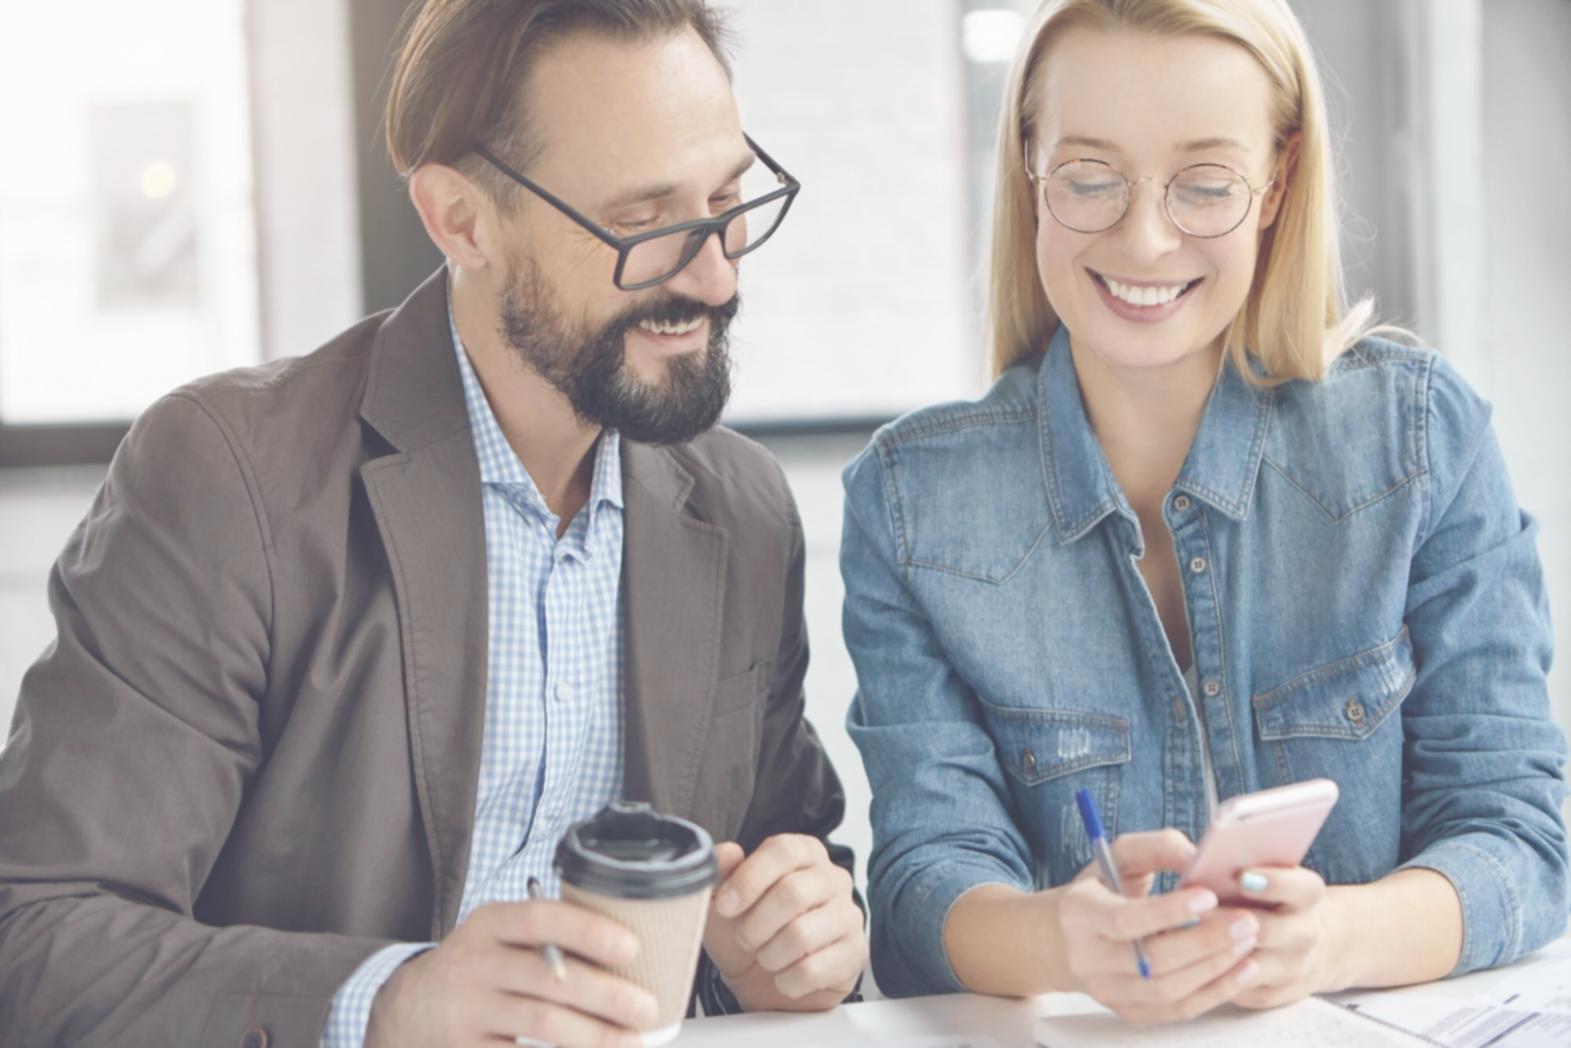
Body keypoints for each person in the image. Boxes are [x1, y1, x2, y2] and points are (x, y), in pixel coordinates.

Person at [0, 2, 868, 1045]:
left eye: (727, 202)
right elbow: (39, 937)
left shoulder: (740, 507)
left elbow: (786, 872)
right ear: (461, 220)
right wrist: (388, 1002)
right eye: (643, 222)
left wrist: (798, 944)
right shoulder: (226, 477)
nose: (717, 274)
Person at [841, 0, 1567, 1025]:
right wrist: (1064, 939)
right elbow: (921, 890)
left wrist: (1327, 939)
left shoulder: (1416, 440)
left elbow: (1517, 839)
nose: (1143, 237)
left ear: (1276, 181)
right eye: (1089, 176)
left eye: (1204, 184)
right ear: (1027, 169)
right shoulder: (910, 503)